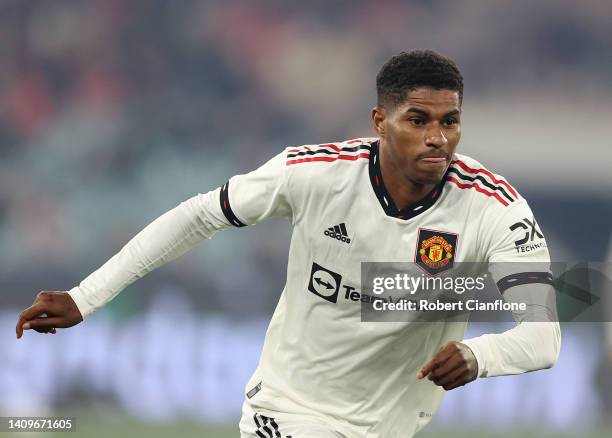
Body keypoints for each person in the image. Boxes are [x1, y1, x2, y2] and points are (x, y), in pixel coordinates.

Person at [16, 50, 561, 438]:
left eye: (450, 122)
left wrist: (478, 353)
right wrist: (86, 296)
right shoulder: (313, 173)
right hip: (288, 407)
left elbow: (543, 338)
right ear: (380, 121)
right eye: (417, 120)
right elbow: (198, 216)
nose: (437, 137)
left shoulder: (495, 208)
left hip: (388, 425)